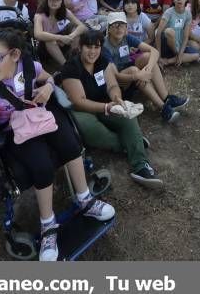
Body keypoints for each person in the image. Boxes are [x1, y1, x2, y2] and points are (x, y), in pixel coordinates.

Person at [0, 29, 114, 261]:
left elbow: (51, 77)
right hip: (14, 129)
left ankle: (84, 199)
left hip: (38, 114)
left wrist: (48, 87)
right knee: (42, 166)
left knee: (71, 144)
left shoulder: (28, 65)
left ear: (14, 55)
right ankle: (48, 226)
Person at [61, 30, 163, 188]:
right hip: (82, 110)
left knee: (128, 118)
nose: (93, 51)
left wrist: (116, 98)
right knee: (93, 130)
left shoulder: (103, 62)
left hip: (105, 103)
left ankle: (141, 166)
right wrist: (107, 107)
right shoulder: (71, 68)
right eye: (88, 47)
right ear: (80, 47)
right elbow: (79, 101)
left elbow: (113, 85)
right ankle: (131, 142)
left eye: (97, 47)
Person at [102, 12, 188, 123]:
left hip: (130, 72)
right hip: (118, 84)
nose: (119, 29)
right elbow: (115, 76)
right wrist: (138, 75)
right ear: (108, 29)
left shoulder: (126, 37)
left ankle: (167, 98)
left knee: (148, 57)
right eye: (115, 25)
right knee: (135, 70)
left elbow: (154, 51)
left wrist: (147, 69)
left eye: (122, 25)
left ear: (126, 27)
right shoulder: (105, 46)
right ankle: (163, 108)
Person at [34, 0, 87, 66]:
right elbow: (38, 34)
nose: (53, 2)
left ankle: (74, 57)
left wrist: (70, 37)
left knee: (75, 28)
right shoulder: (39, 15)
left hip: (64, 42)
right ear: (47, 0)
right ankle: (65, 65)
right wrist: (60, 38)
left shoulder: (65, 12)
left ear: (61, 1)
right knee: (50, 40)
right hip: (45, 46)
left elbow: (82, 26)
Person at [154, 0, 200, 67]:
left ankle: (167, 61)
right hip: (166, 45)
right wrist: (159, 55)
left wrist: (181, 52)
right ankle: (178, 56)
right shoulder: (169, 12)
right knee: (169, 31)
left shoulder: (187, 13)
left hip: (178, 43)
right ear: (173, 0)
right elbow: (158, 33)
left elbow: (186, 36)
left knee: (197, 55)